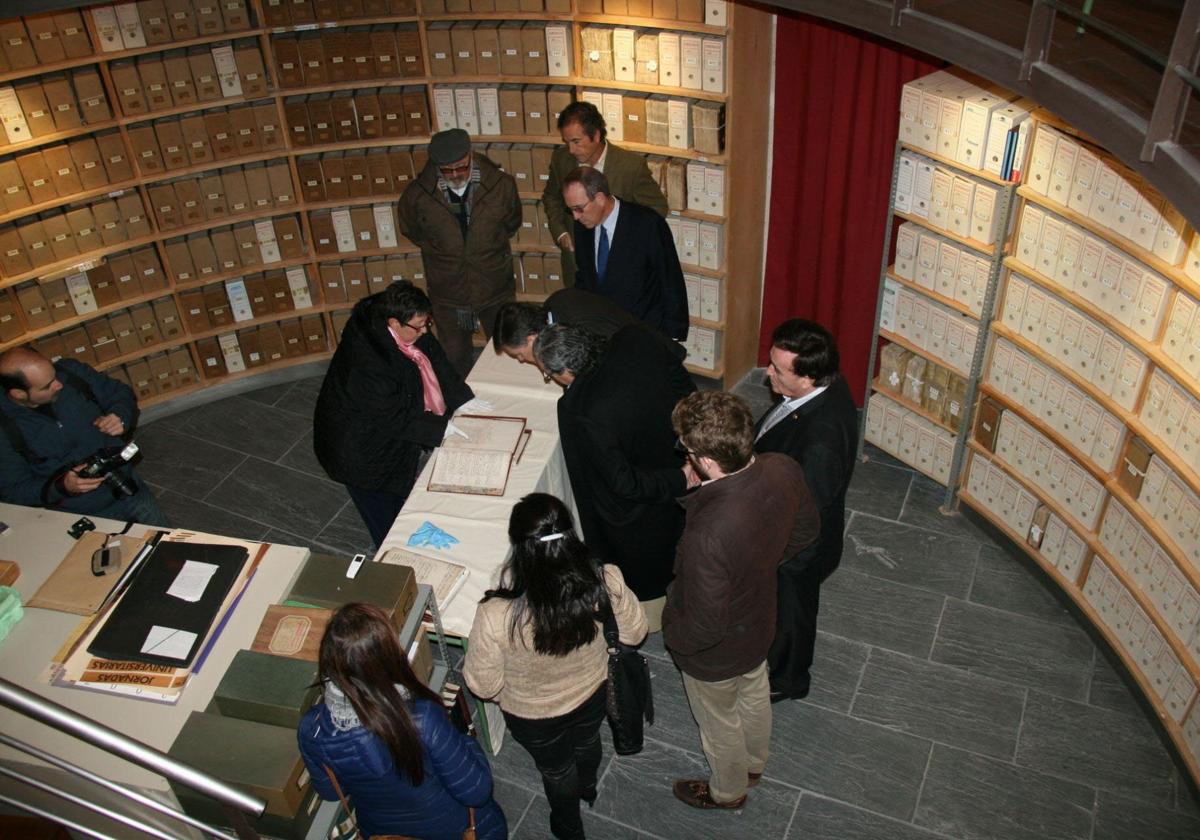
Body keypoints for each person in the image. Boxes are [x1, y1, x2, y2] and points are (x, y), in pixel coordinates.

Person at [664, 391, 819, 811]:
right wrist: (762, 565)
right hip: (761, 618)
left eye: (689, 450)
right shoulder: (782, 467)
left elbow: (705, 623)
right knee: (753, 691)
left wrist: (675, 639)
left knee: (718, 721)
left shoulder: (708, 535)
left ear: (707, 460)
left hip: (717, 649)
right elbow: (806, 530)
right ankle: (754, 764)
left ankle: (728, 791)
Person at [463, 493, 647, 840]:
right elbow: (635, 633)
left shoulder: (497, 615)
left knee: (557, 770)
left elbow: (483, 686)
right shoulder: (603, 581)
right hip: (593, 692)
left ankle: (568, 825)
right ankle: (588, 787)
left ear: (520, 549)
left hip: (533, 716)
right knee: (588, 742)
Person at [298, 603, 507, 840]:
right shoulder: (422, 718)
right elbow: (476, 791)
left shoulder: (311, 729)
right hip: (455, 829)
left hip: (383, 833)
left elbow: (331, 792)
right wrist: (467, 743)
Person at [534, 323, 694, 628]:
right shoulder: (635, 337)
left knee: (647, 574)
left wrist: (680, 480)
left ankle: (649, 621)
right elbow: (681, 381)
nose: (551, 380)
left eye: (549, 375)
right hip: (673, 458)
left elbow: (623, 483)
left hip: (638, 512)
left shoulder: (584, 410)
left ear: (566, 370)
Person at [313, 280, 474, 547]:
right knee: (386, 517)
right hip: (359, 451)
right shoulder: (367, 362)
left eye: (427, 324)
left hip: (385, 434)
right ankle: (396, 557)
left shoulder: (408, 323)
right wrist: (440, 429)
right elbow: (393, 418)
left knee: (402, 498)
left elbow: (434, 356)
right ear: (394, 323)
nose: (425, 331)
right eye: (419, 327)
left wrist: (461, 399)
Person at [755, 319, 858, 703]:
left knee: (793, 616)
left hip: (798, 550)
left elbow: (806, 509)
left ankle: (789, 679)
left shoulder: (822, 441)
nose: (767, 373)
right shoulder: (820, 392)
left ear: (809, 377)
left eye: (778, 370)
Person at [398, 128, 522, 376]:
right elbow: (412, 230)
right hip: (449, 294)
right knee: (454, 358)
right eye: (447, 170)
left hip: (494, 287)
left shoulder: (502, 185)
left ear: (471, 156)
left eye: (462, 167)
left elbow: (512, 222)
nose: (455, 175)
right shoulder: (416, 195)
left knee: (506, 353)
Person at [0, 347, 166, 525]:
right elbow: (13, 490)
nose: (59, 385)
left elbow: (119, 393)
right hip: (84, 513)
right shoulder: (4, 430)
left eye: (54, 374)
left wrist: (119, 416)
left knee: (166, 540)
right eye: (47, 386)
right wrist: (61, 486)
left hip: (128, 486)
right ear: (18, 394)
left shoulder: (72, 372)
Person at [541, 100, 668, 287]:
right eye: (566, 142)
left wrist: (630, 244)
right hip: (577, 265)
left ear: (596, 135)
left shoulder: (631, 167)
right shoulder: (561, 159)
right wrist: (560, 232)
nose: (571, 150)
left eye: (576, 142)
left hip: (621, 266)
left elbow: (657, 210)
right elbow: (552, 196)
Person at [563, 166, 688, 341]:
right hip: (603, 332)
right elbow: (585, 276)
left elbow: (670, 280)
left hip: (643, 333)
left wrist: (674, 336)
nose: (575, 216)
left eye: (578, 208)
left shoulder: (647, 224)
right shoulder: (583, 226)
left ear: (599, 198)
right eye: (571, 210)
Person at [491, 287, 684, 370]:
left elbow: (619, 368)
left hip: (658, 365)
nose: (521, 361)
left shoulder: (583, 332)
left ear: (532, 339)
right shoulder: (554, 303)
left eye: (518, 355)